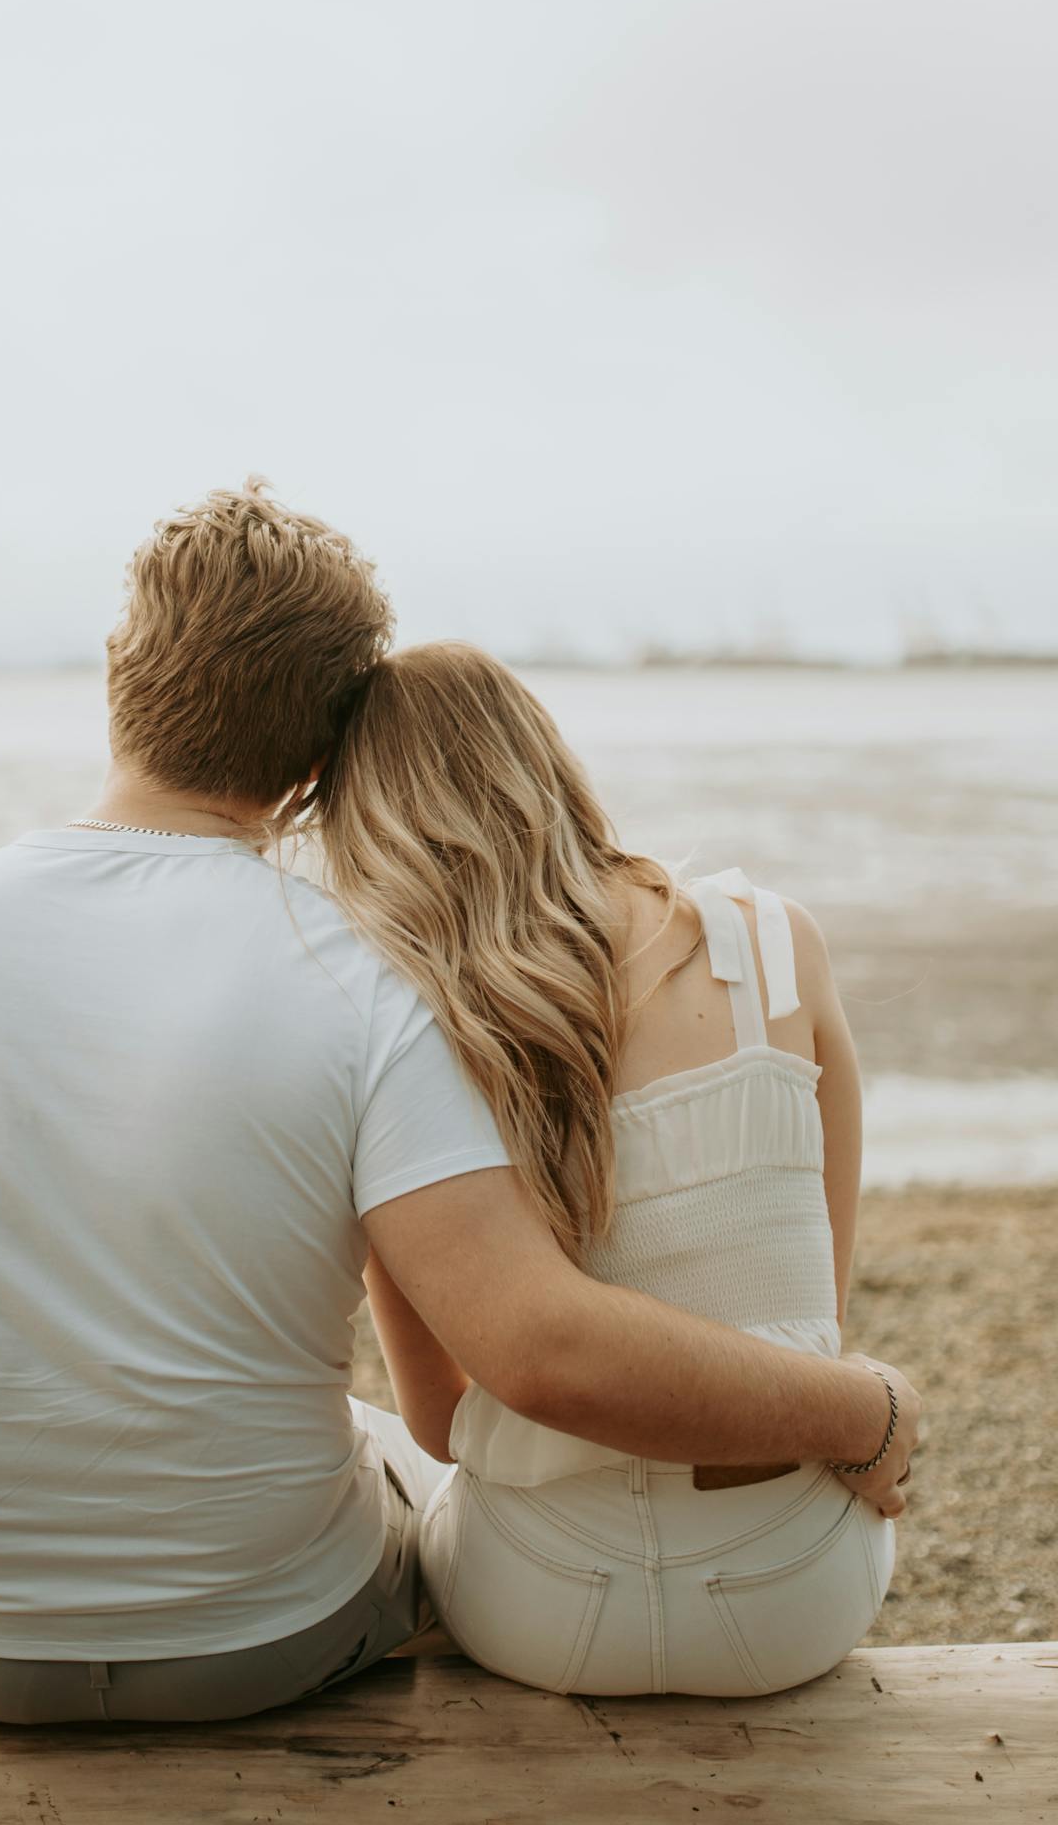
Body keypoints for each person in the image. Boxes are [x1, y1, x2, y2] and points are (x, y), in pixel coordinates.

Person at [0, 483, 919, 1727]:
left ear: (116, 671)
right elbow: (529, 1347)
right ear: (321, 764)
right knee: (392, 1466)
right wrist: (862, 1404)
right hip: (258, 1636)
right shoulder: (356, 977)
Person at [307, 640, 903, 1699]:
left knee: (372, 1449)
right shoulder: (775, 944)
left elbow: (444, 1423)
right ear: (545, 761)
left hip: (538, 1604)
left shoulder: (403, 1034)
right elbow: (818, 1322)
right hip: (797, 1590)